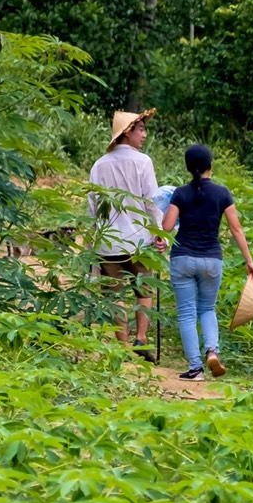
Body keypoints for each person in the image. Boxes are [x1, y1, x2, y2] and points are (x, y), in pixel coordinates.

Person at [159, 142, 253, 380]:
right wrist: (249, 261)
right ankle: (212, 350)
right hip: (212, 260)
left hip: (183, 258)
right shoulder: (222, 193)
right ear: (210, 165)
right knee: (207, 308)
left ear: (188, 168)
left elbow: (167, 227)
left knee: (186, 314)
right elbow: (236, 229)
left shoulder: (180, 193)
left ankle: (195, 368)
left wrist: (163, 233)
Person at [89, 110, 163, 347]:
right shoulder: (144, 162)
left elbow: (93, 205)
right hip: (139, 241)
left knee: (114, 295)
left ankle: (122, 345)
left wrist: (92, 236)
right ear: (127, 132)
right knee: (145, 291)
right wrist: (160, 234)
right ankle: (141, 339)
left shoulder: (99, 165)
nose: (144, 134)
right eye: (140, 129)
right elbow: (152, 202)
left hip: (108, 242)